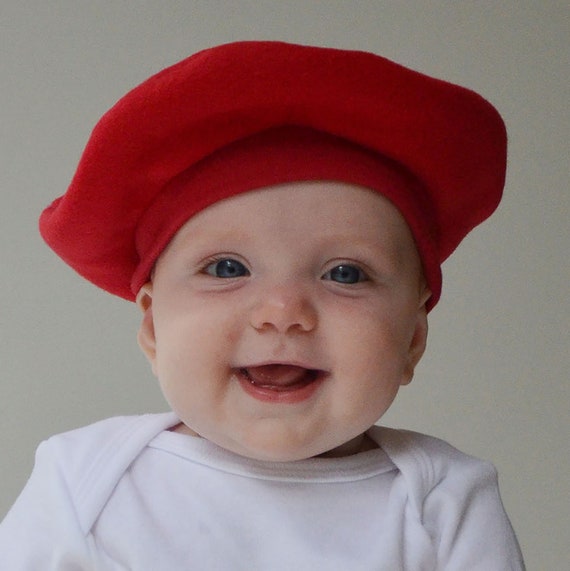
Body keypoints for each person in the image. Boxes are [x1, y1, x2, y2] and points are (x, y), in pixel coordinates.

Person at [0, 41, 525, 569]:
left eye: (345, 274)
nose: (282, 310)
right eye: (228, 268)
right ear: (153, 326)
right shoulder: (84, 479)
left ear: (412, 339)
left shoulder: (442, 500)